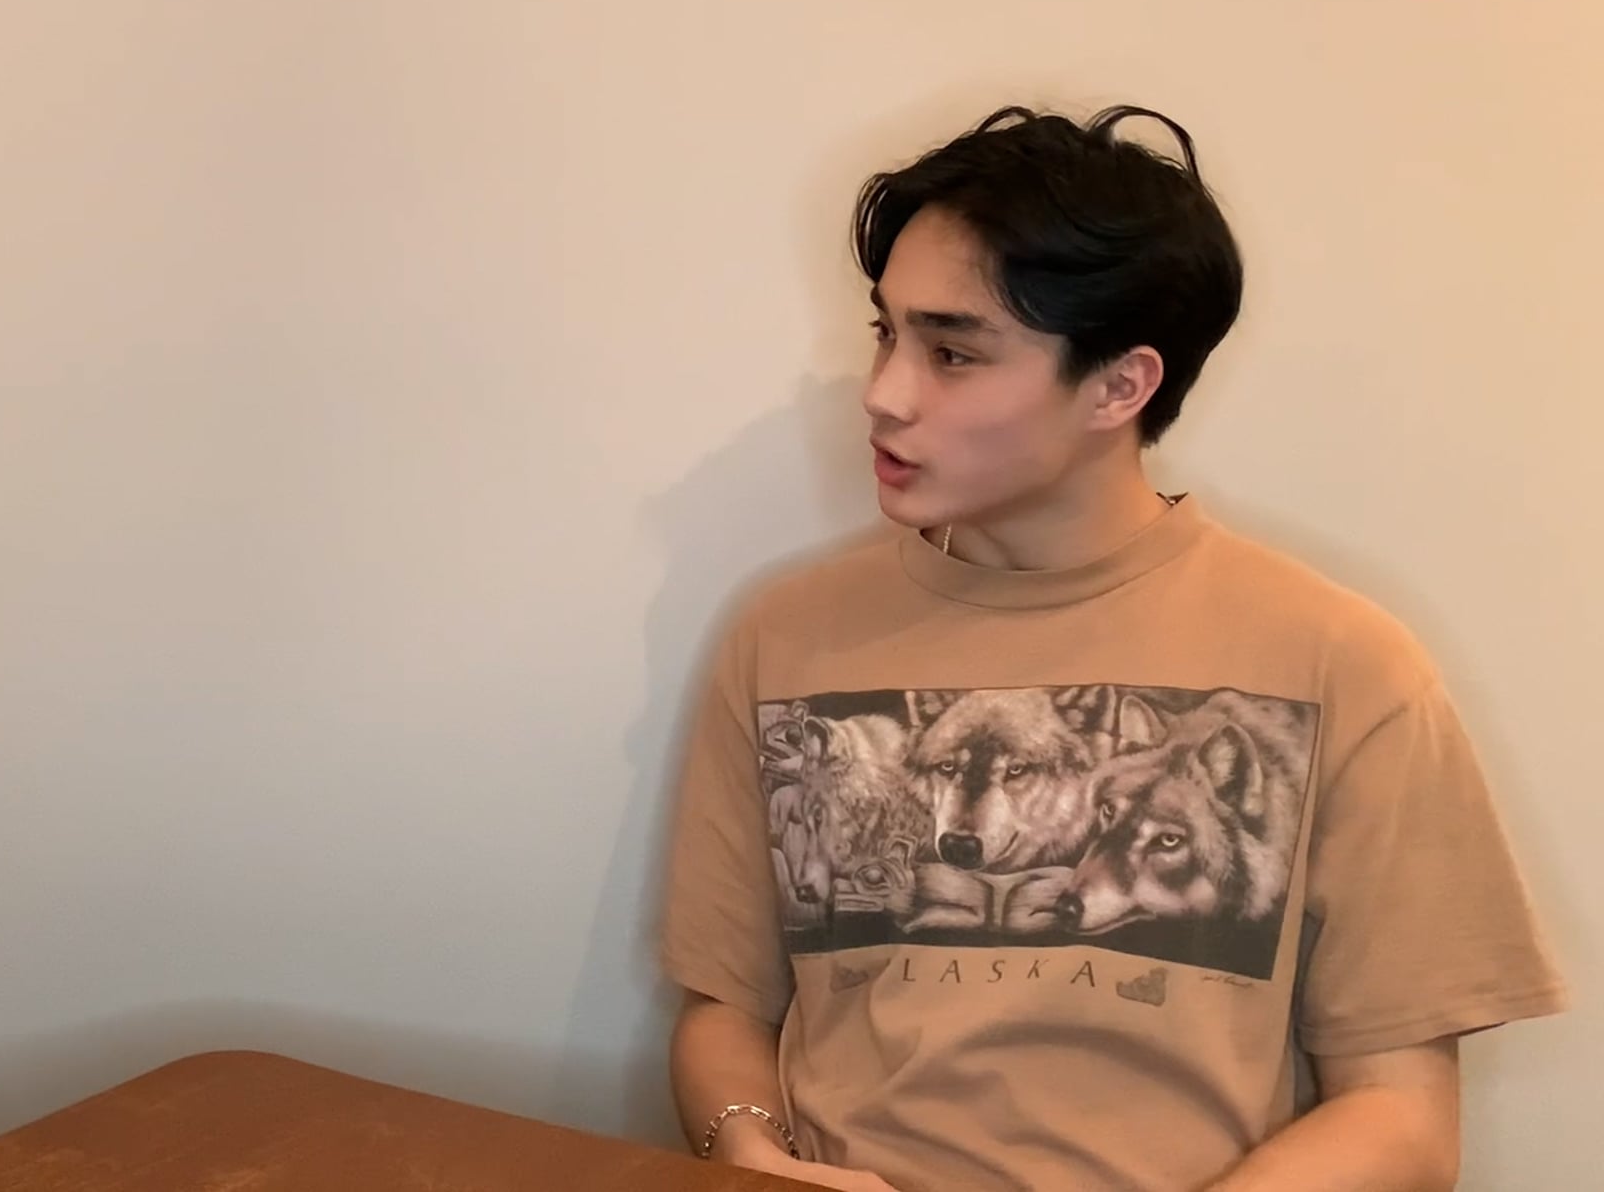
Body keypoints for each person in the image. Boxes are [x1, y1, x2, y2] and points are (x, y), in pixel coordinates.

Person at [660, 106, 1566, 1191]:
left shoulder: (1343, 663)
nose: (884, 394)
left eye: (952, 353)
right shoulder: (785, 637)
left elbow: (1402, 1115)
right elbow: (725, 1009)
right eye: (885, 334)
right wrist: (749, 1153)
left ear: (1120, 386)